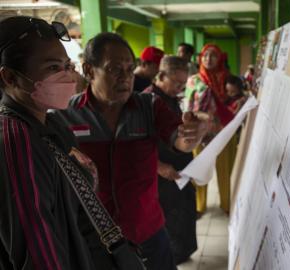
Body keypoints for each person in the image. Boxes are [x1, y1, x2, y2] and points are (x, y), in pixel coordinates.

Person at [52, 33, 207, 270]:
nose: (126, 77)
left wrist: (191, 134)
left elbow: (179, 140)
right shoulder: (66, 117)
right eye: (115, 69)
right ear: (89, 70)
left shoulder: (149, 107)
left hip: (148, 234)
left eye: (130, 68)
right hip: (94, 240)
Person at [0, 16, 104, 270]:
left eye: (67, 65)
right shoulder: (16, 139)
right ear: (10, 77)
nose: (68, 76)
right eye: (52, 68)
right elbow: (38, 248)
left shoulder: (51, 125)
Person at [142, 56, 197, 264]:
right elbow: (138, 143)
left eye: (184, 84)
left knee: (183, 214)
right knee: (170, 220)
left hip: (179, 171)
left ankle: (182, 255)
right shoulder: (146, 101)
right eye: (176, 83)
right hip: (163, 174)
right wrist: (158, 166)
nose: (180, 88)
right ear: (161, 76)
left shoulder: (170, 98)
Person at [184, 44, 236, 215]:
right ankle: (200, 206)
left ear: (220, 58)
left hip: (223, 130)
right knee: (200, 168)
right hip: (200, 131)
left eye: (213, 55)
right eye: (205, 55)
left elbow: (234, 102)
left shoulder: (228, 79)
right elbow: (188, 106)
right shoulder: (194, 80)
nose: (208, 59)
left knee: (225, 169)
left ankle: (226, 204)